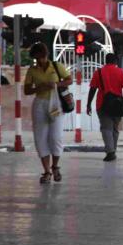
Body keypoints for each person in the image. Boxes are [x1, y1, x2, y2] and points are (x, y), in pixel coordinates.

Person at [22, 42, 71, 184]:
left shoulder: (56, 66)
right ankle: (47, 171)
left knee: (56, 137)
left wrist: (56, 85)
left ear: (45, 55)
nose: (40, 61)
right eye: (37, 58)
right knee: (40, 138)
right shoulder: (32, 70)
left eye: (41, 57)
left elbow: (69, 80)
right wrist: (40, 87)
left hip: (56, 104)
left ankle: (55, 166)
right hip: (40, 104)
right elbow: (27, 90)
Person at [87, 52, 123, 162]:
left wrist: (88, 104)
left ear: (105, 61)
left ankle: (110, 152)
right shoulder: (120, 72)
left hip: (103, 104)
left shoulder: (99, 72)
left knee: (106, 128)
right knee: (115, 129)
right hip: (118, 105)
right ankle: (112, 150)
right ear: (115, 61)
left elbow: (92, 89)